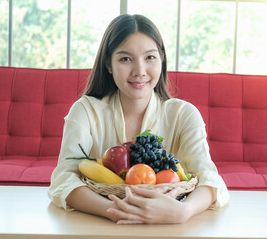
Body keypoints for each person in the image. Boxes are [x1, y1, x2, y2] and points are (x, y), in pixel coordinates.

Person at [48, 14, 229, 224]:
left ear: (161, 58)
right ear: (108, 64)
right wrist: (117, 210)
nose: (139, 71)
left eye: (150, 57)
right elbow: (63, 179)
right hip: (103, 225)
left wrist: (183, 212)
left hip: (168, 228)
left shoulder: (184, 114)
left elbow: (210, 179)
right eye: (125, 59)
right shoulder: (86, 110)